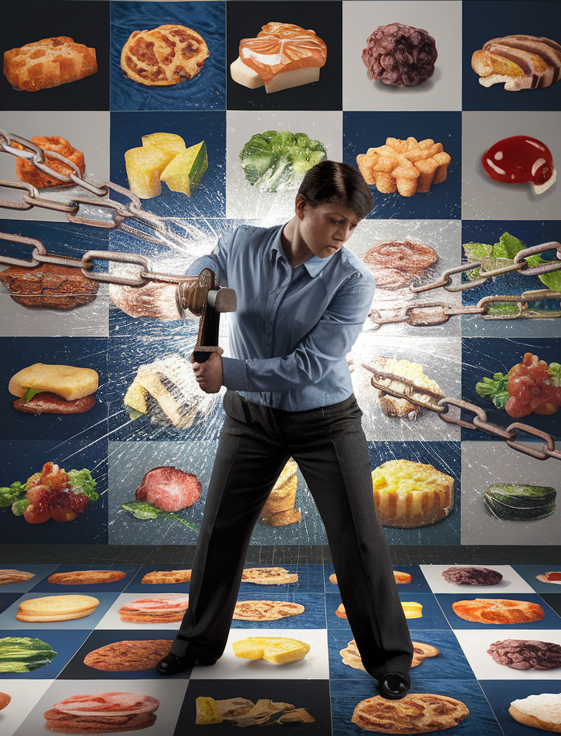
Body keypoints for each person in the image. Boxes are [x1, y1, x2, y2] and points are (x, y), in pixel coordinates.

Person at [154, 160, 415, 701]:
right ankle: (196, 643)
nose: (341, 236)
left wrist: (229, 372)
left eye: (351, 226)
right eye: (332, 220)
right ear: (301, 207)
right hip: (250, 419)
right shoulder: (243, 245)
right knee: (220, 531)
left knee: (358, 539)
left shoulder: (353, 281)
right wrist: (197, 275)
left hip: (325, 421)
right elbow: (213, 260)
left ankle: (389, 660)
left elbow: (311, 366)